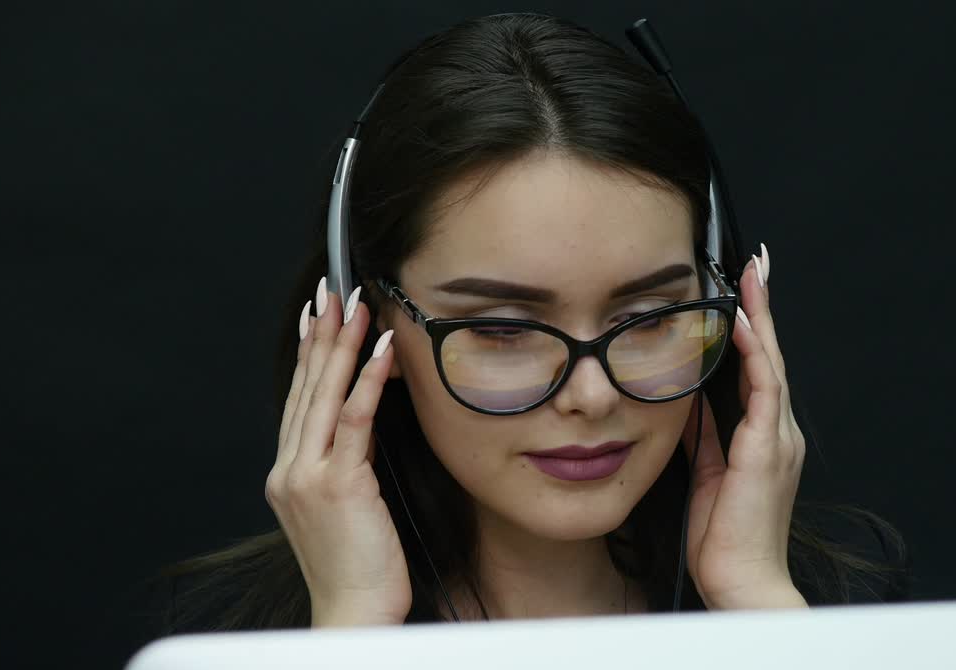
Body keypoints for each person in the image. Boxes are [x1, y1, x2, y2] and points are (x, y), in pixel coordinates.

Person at [155, 12, 908, 633]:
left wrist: (762, 613)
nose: (591, 397)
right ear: (369, 321)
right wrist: (354, 633)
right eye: (506, 330)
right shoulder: (238, 648)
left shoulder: (830, 616)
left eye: (650, 316)